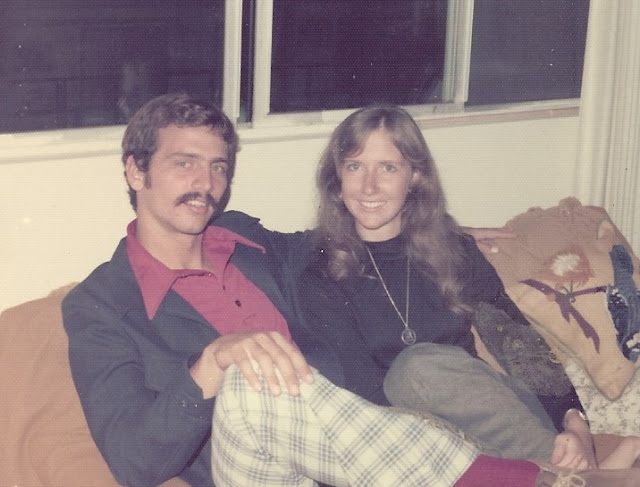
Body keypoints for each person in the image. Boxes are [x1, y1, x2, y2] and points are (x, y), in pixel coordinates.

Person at [62, 93, 638, 487]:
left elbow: (362, 229)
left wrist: (446, 231)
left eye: (217, 166)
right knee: (249, 376)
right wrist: (213, 362)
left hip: (360, 457)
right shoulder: (100, 307)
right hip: (257, 468)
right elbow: (133, 463)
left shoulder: (251, 243)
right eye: (184, 163)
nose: (205, 182)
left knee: (414, 369)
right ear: (135, 170)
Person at [298, 103, 640, 471]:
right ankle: (581, 476)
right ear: (337, 178)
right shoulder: (321, 273)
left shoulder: (454, 250)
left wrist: (575, 422)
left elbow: (517, 343)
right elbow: (359, 393)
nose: (369, 186)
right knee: (412, 370)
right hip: (407, 439)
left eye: (388, 168)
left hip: (497, 421)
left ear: (414, 177)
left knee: (423, 368)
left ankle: (570, 471)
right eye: (354, 166)